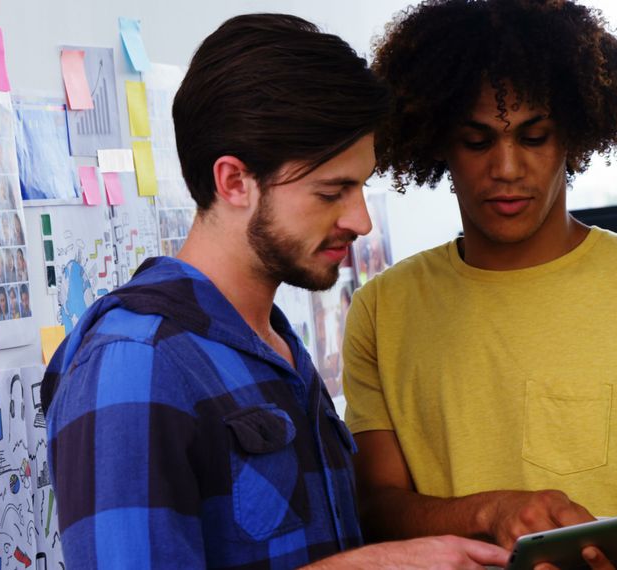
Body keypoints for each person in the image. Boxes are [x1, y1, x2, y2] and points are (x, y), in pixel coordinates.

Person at [39, 13, 508, 570]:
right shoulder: (136, 360)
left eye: (360, 186)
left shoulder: (276, 348)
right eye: (332, 191)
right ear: (234, 181)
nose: (360, 220)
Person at [342, 2, 617, 569]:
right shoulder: (381, 311)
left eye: (535, 137)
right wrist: (491, 512)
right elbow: (375, 507)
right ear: (438, 142)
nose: (508, 167)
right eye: (477, 141)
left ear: (575, 136)